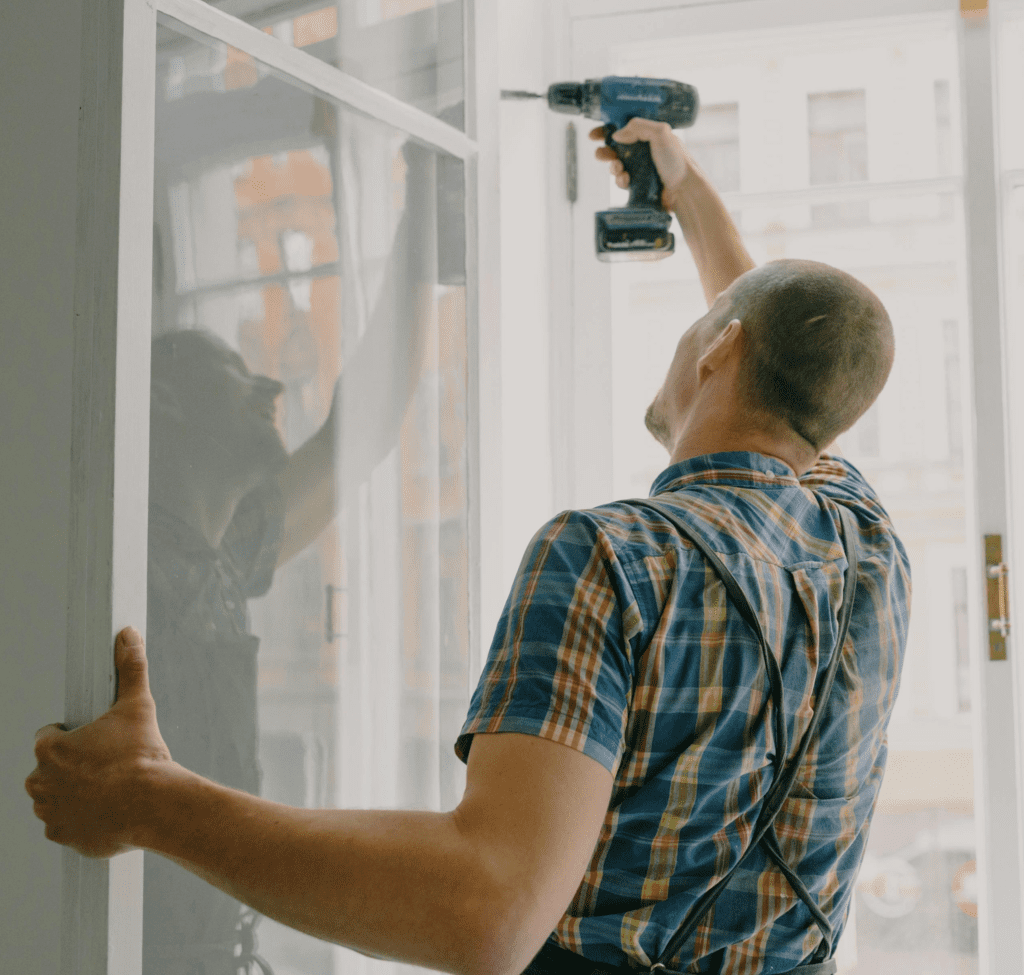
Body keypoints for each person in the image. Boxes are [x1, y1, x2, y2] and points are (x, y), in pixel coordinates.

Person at [27, 117, 909, 975]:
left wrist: (147, 800)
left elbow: (487, 913)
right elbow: (797, 371)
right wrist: (684, 192)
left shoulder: (615, 559)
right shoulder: (868, 548)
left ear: (720, 349)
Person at [140, 137, 435, 974]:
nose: (270, 385)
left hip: (211, 947)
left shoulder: (224, 550)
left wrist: (422, 216)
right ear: (165, 398)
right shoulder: (126, 569)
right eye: (235, 372)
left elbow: (362, 427)